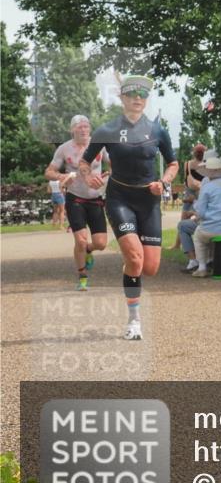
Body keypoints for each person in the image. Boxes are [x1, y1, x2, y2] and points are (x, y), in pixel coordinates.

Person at [79, 75, 178, 340]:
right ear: (122, 98)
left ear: (146, 99)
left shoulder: (158, 131)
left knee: (150, 268)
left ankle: (130, 264)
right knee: (135, 258)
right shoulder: (106, 130)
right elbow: (85, 162)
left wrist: (164, 183)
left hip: (149, 201)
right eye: (132, 94)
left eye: (142, 95)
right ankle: (134, 321)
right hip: (119, 198)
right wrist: (88, 176)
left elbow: (173, 164)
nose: (137, 99)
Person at [44, 115, 110, 290]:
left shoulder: (98, 146)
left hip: (95, 198)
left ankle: (88, 250)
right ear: (72, 129)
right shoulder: (64, 149)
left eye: (86, 126)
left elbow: (114, 165)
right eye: (79, 127)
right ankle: (82, 276)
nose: (83, 130)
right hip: (75, 198)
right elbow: (49, 172)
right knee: (80, 240)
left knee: (101, 244)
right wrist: (62, 176)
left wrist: (107, 176)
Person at [189, 156, 221, 278]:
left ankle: (202, 267)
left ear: (209, 171)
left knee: (198, 236)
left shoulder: (207, 187)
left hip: (213, 227)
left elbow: (201, 213)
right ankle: (217, 262)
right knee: (210, 232)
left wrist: (209, 217)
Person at [170, 143, 206, 249]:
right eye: (198, 152)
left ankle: (179, 244)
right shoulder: (190, 164)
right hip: (192, 192)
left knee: (192, 217)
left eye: (200, 152)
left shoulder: (204, 164)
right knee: (185, 217)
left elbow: (188, 179)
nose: (199, 154)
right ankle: (178, 244)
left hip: (199, 192)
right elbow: (187, 179)